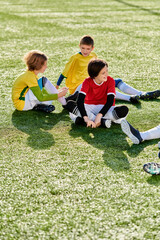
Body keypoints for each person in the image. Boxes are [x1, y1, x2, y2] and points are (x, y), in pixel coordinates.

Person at [56, 35, 160, 104]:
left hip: (93, 81)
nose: (85, 51)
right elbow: (64, 73)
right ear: (79, 46)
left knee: (116, 81)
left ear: (92, 48)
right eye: (83, 48)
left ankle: (141, 94)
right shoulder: (75, 58)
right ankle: (130, 98)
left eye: (88, 49)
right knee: (104, 88)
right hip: (78, 87)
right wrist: (57, 86)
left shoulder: (93, 56)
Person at [65, 59, 129, 128]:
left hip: (106, 108)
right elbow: (80, 101)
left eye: (107, 71)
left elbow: (110, 101)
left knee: (124, 110)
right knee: (70, 104)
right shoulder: (87, 81)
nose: (106, 74)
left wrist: (99, 115)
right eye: (103, 73)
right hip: (89, 107)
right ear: (95, 75)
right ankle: (102, 122)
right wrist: (86, 118)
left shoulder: (110, 80)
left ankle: (93, 121)